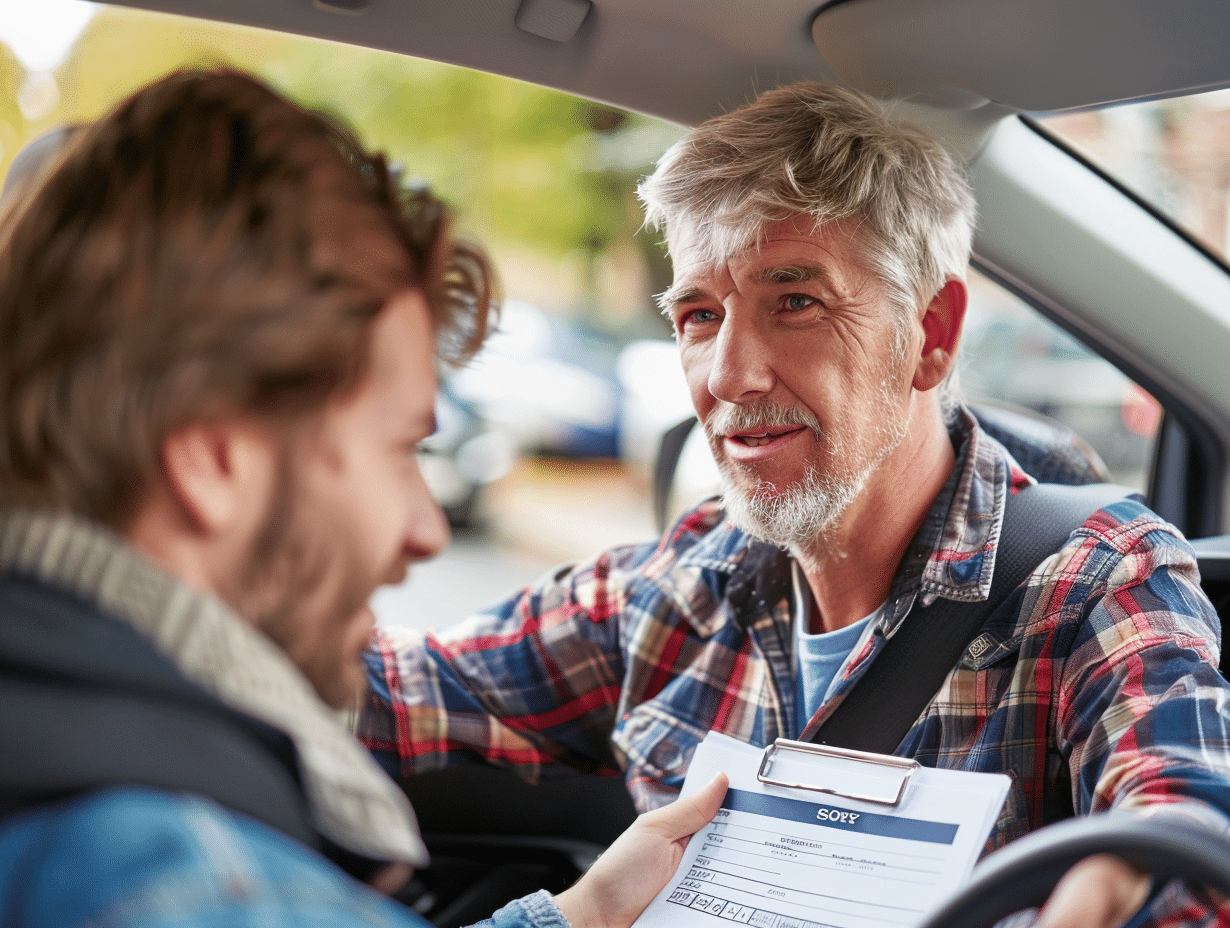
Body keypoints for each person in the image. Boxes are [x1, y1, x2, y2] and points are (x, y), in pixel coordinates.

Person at [358, 82, 1230, 927]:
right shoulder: (684, 585)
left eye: (796, 301)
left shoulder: (1095, 583)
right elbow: (397, 693)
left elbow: (1187, 819)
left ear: (928, 336)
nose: (729, 375)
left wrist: (1135, 878)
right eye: (699, 315)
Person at [0, 67, 728, 928]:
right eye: (398, 449)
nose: (424, 528)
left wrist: (586, 913)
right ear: (214, 457)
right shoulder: (199, 886)